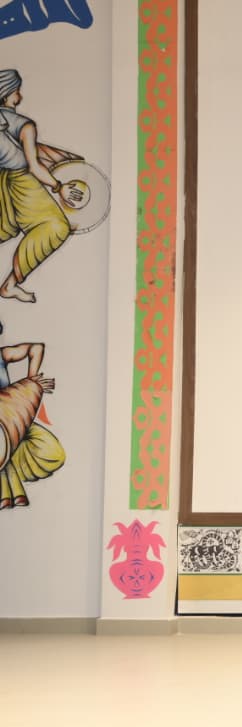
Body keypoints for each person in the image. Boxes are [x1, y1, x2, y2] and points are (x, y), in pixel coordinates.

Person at [0, 70, 72, 304]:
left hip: (3, 182)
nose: (19, 96)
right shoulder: (26, 125)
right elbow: (34, 167)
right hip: (22, 182)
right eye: (16, 91)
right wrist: (59, 186)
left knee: (7, 227)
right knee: (56, 227)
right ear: (7, 94)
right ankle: (10, 285)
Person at [0, 320, 63, 508]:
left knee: (52, 451)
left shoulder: (3, 354)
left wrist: (31, 382)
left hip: (15, 416)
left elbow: (36, 348)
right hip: (5, 427)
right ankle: (9, 495)